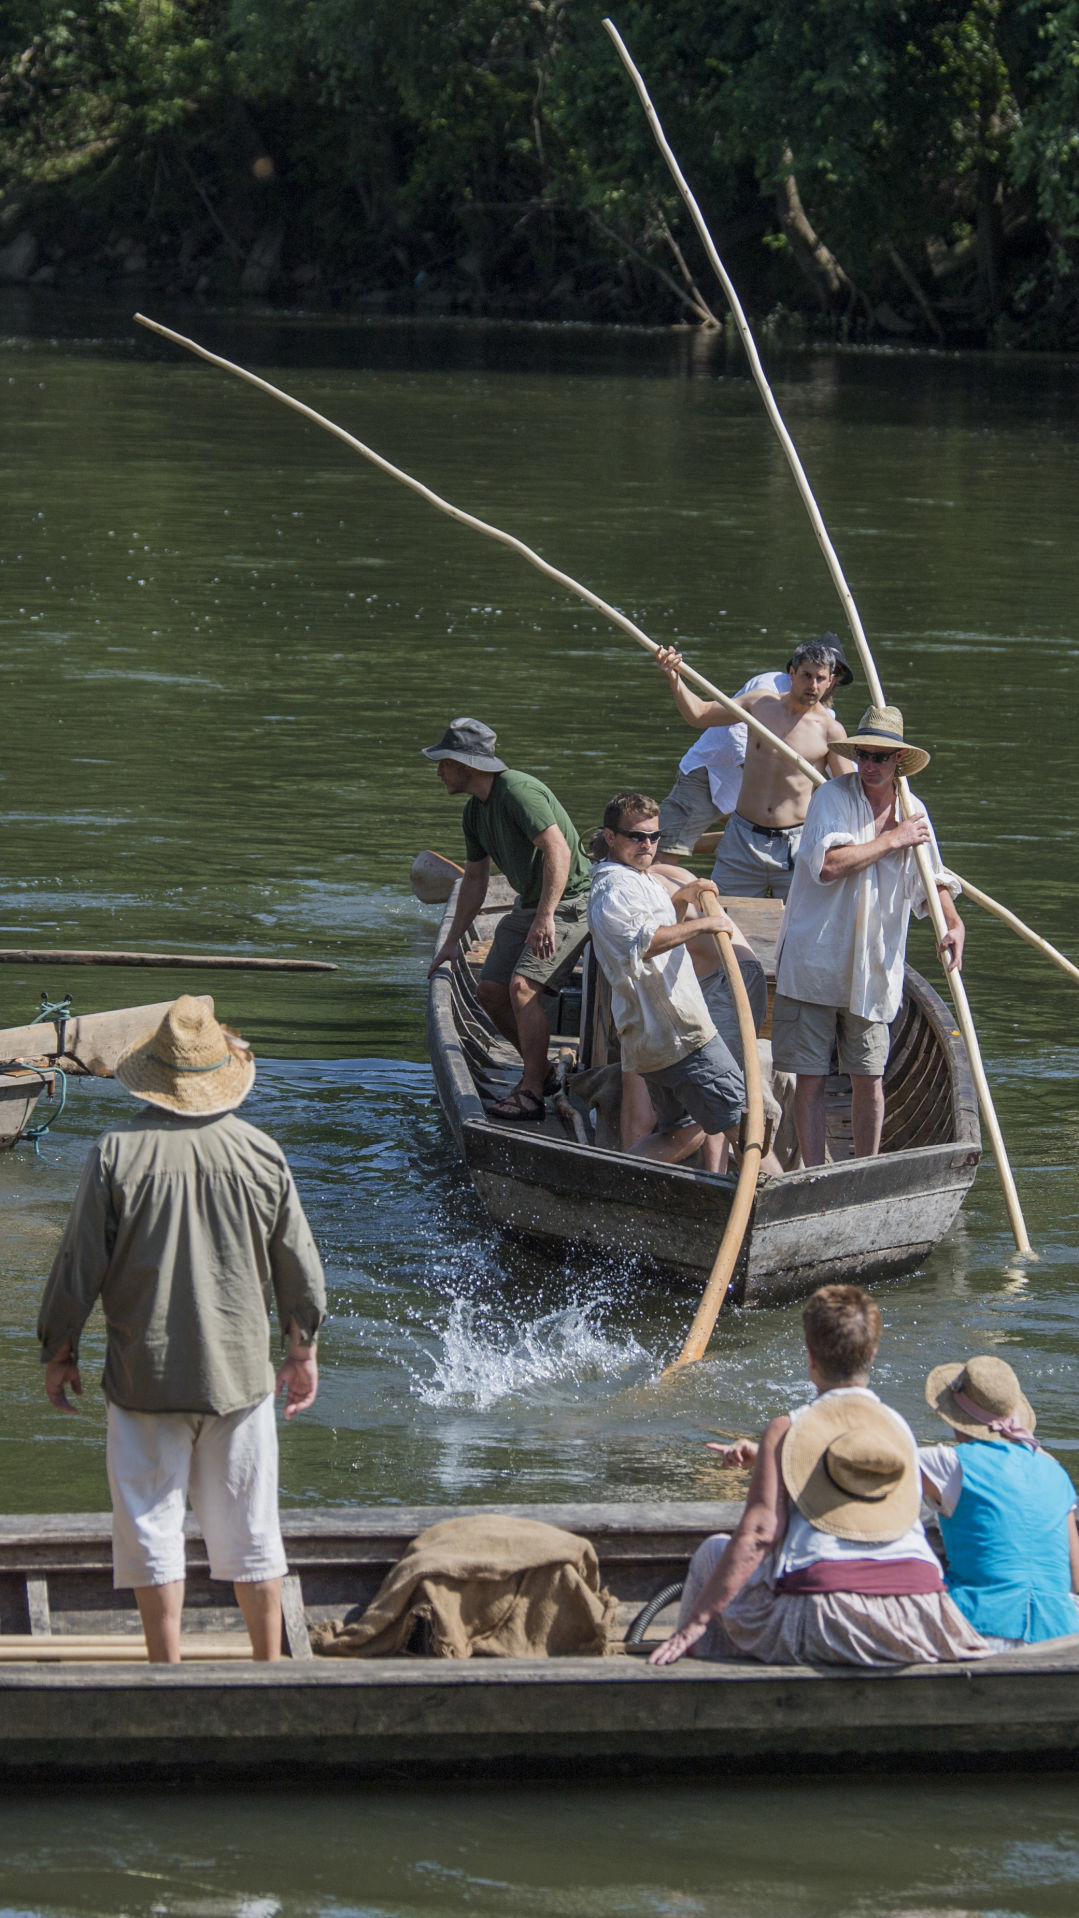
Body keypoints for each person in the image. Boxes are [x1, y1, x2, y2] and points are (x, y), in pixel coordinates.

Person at [37, 995, 326, 1664]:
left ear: (151, 1076)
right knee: (253, 1533)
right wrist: (301, 1349)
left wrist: (60, 1348)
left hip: (145, 1376)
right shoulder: (261, 1153)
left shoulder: (115, 1154)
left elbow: (78, 1267)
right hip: (239, 1378)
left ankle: (164, 1673)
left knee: (151, 1529)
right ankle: (269, 1669)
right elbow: (300, 1269)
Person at [649, 1284, 987, 1668]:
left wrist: (697, 1620)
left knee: (714, 1553)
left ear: (810, 1356)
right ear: (872, 1354)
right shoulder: (899, 1428)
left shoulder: (786, 1429)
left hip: (829, 1614)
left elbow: (760, 1533)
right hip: (923, 1614)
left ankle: (696, 1684)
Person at [771, 703, 965, 1167]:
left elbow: (931, 879)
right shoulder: (831, 798)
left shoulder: (913, 811)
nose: (869, 765)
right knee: (811, 1078)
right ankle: (816, 1173)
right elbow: (828, 864)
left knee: (870, 1078)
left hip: (873, 968)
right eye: (863, 755)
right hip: (815, 961)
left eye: (879, 757)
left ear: (898, 760)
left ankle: (864, 1170)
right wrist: (892, 839)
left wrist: (953, 922)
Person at [587, 790, 784, 1173]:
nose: (647, 845)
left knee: (679, 1134)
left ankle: (608, 1187)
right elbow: (645, 944)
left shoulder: (638, 878)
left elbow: (659, 933)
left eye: (654, 836)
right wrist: (705, 923)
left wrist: (681, 900)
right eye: (636, 836)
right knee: (746, 1127)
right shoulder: (616, 888)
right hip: (681, 1035)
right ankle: (793, 1202)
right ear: (610, 837)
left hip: (665, 1035)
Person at [424, 717, 591, 1122]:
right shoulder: (474, 813)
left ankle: (530, 1092)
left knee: (522, 988)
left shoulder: (517, 790)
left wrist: (546, 917)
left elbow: (558, 851)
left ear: (466, 764)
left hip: (571, 902)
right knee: (490, 992)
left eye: (444, 762)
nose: (438, 771)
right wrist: (452, 941)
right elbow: (475, 880)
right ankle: (542, 1071)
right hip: (529, 904)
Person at [655, 637, 850, 898]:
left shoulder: (831, 731)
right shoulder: (760, 704)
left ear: (830, 681)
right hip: (742, 839)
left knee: (797, 921)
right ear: (792, 673)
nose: (812, 685)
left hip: (794, 846)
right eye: (806, 676)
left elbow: (850, 791)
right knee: (724, 916)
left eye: (820, 678)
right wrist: (674, 678)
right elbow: (699, 714)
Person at [920, 1355, 1079, 1649]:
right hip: (1060, 1633)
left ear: (954, 1417)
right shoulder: (1054, 1470)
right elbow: (1076, 1575)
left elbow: (869, 1471)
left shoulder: (947, 1463)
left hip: (980, 1625)